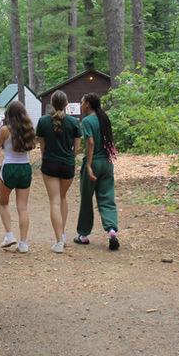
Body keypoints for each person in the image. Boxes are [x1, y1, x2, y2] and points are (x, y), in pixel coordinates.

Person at [73, 92, 120, 250]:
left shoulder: (87, 121)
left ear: (88, 104)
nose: (81, 105)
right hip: (107, 163)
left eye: (82, 102)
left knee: (87, 198)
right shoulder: (104, 118)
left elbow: (91, 143)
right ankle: (112, 230)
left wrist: (88, 165)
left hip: (94, 163)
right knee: (107, 197)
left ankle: (83, 235)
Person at [35, 90, 81, 253]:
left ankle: (59, 241)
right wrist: (69, 157)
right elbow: (77, 148)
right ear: (67, 104)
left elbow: (42, 146)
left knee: (54, 201)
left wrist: (47, 157)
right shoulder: (74, 122)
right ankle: (62, 234)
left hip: (50, 164)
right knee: (62, 198)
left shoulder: (43, 121)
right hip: (68, 165)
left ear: (52, 104)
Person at [0, 101, 36, 253]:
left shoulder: (5, 130)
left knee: (3, 203)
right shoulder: (29, 129)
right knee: (23, 207)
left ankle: (9, 235)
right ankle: (23, 243)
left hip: (9, 167)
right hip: (25, 167)